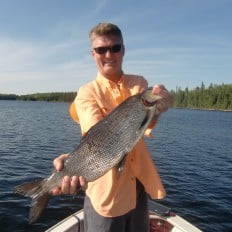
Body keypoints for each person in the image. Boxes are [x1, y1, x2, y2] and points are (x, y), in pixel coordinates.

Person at [52, 22, 173, 232]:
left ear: (123, 50)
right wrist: (73, 160)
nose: (109, 54)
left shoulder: (138, 83)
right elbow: (94, 132)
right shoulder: (86, 93)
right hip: (105, 194)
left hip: (138, 187)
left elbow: (147, 124)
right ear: (93, 54)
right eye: (101, 49)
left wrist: (162, 106)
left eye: (115, 48)